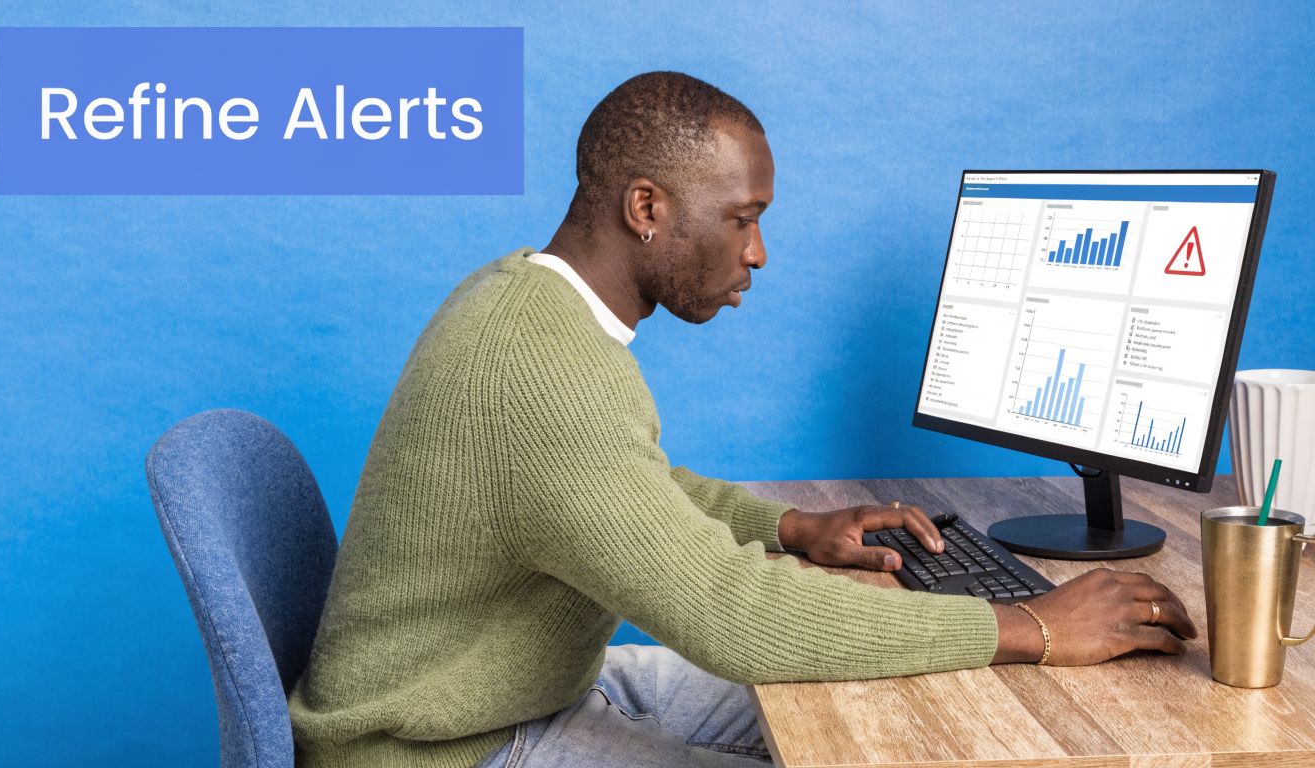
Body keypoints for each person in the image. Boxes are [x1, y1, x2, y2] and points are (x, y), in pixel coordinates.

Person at [287, 71, 1198, 768]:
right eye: (741, 218)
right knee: (830, 716)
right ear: (647, 208)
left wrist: (792, 526)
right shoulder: (536, 368)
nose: (757, 253)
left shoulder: (531, 304)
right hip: (448, 745)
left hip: (518, 687)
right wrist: (1032, 626)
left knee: (852, 713)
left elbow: (621, 483)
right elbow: (735, 619)